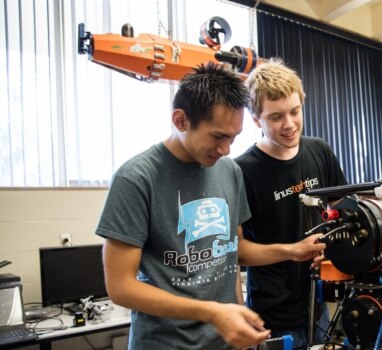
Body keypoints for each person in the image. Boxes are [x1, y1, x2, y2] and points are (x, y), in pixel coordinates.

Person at [95, 62, 271, 349]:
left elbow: (230, 255)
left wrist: (240, 320)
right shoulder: (136, 178)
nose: (226, 149)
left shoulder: (229, 171)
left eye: (234, 137)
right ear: (180, 121)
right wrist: (213, 312)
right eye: (218, 136)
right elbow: (120, 287)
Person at [235, 59, 348, 348]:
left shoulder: (319, 151)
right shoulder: (242, 171)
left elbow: (344, 213)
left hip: (320, 305)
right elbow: (238, 252)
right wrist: (292, 251)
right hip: (271, 317)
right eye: (275, 117)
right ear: (256, 119)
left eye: (295, 112)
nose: (289, 124)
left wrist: (334, 248)